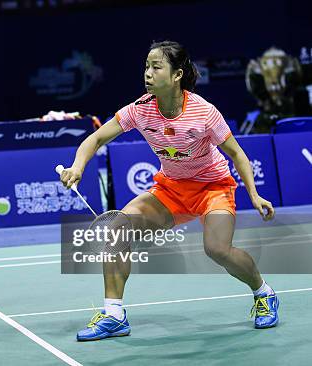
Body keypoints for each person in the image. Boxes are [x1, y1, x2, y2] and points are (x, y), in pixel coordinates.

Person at [59, 41, 278, 342]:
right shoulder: (139, 110)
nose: (147, 73)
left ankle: (263, 293)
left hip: (212, 187)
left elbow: (237, 154)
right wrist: (78, 167)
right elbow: (95, 139)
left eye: (156, 67)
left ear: (177, 75)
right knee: (118, 228)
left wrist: (254, 195)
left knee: (217, 249)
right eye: (146, 66)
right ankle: (114, 315)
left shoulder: (203, 112)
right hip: (171, 189)